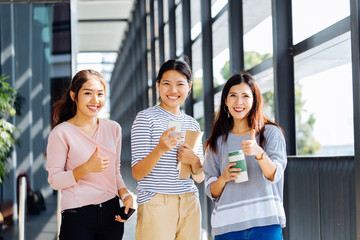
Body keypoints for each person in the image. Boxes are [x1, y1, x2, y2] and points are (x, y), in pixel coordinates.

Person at [46, 69, 133, 240]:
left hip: (111, 214)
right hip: (77, 215)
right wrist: (85, 168)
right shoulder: (61, 133)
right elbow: (55, 181)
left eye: (100, 94)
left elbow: (115, 172)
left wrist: (125, 194)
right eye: (88, 93)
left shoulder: (114, 129)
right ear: (74, 95)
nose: (95, 100)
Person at [203, 72, 287, 240]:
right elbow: (210, 190)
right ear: (225, 101)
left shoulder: (270, 133)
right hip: (227, 226)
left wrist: (258, 152)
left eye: (245, 96)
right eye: (233, 95)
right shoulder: (216, 143)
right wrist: (224, 178)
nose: (239, 102)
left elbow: (275, 174)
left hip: (265, 223)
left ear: (254, 100)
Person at [131, 59, 204, 240]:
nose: (173, 90)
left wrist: (194, 161)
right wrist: (160, 149)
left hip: (189, 201)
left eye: (180, 84)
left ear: (189, 86)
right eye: (166, 84)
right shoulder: (145, 119)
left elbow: (200, 177)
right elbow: (137, 173)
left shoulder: (192, 123)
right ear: (158, 85)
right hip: (156, 202)